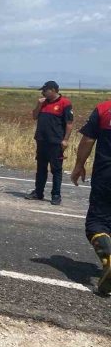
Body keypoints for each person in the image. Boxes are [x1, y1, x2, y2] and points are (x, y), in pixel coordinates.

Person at [71, 100, 111, 295]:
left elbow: (88, 140)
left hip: (106, 176)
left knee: (96, 224)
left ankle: (109, 260)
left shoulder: (105, 109)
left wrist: (79, 165)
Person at [26, 81, 73, 205]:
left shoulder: (65, 103)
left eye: (45, 90)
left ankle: (56, 195)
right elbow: (34, 116)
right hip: (42, 140)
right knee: (41, 168)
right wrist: (38, 105)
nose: (43, 92)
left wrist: (65, 140)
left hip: (56, 142)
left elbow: (69, 123)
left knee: (56, 170)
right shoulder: (43, 103)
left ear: (53, 90)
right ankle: (38, 192)